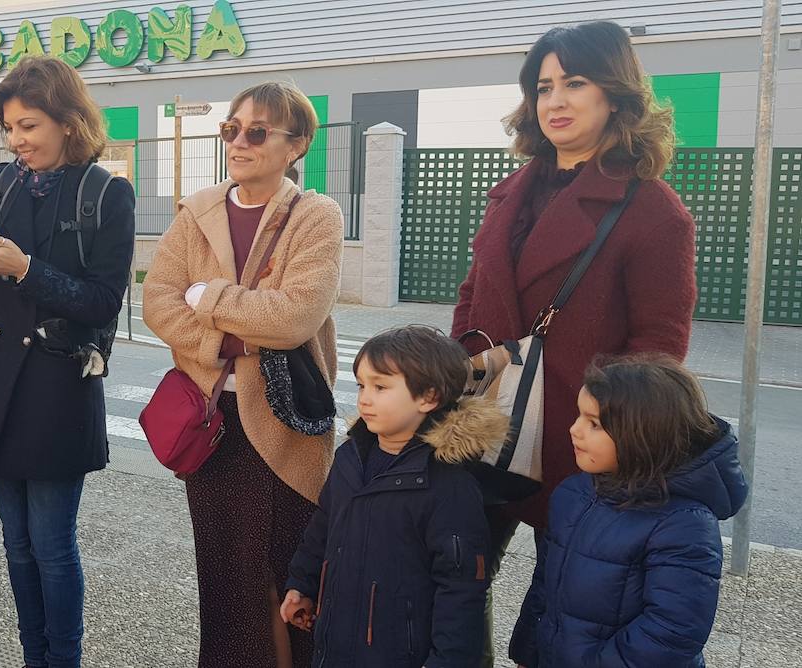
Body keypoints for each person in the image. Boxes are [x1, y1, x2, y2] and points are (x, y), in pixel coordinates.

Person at [447, 22, 698, 664]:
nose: (554, 100)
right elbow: (473, 295)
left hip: (580, 438)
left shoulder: (652, 210)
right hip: (487, 421)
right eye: (543, 86)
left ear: (616, 95)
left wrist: (611, 428)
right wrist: (457, 374)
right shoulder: (510, 194)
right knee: (453, 582)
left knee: (566, 609)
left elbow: (659, 348)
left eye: (576, 83)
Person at [0, 56, 135, 668]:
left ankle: (61, 659)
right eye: (10, 127)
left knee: (51, 544)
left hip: (56, 383)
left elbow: (102, 301)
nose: (17, 141)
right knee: (16, 545)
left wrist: (24, 268)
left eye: (29, 126)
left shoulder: (107, 193)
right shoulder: (3, 181)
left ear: (69, 122)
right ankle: (31, 655)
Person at [142, 81, 344, 667]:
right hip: (211, 423)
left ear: (296, 145)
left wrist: (206, 296)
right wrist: (226, 337)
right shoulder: (198, 211)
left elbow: (294, 316)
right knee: (224, 572)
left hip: (283, 420)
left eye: (258, 131)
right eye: (231, 128)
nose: (239, 141)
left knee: (288, 572)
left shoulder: (314, 217)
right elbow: (157, 301)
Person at [280, 326, 500, 667]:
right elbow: (322, 528)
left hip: (398, 653)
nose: (364, 398)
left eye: (380, 387)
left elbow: (460, 590)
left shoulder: (448, 486)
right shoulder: (350, 458)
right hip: (334, 642)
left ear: (428, 396)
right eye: (362, 385)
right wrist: (301, 584)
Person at [509, 356, 747, 667]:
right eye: (579, 415)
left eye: (593, 423)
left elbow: (672, 632)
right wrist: (529, 651)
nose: (574, 429)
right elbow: (545, 583)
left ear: (643, 434)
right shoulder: (573, 494)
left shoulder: (684, 524)